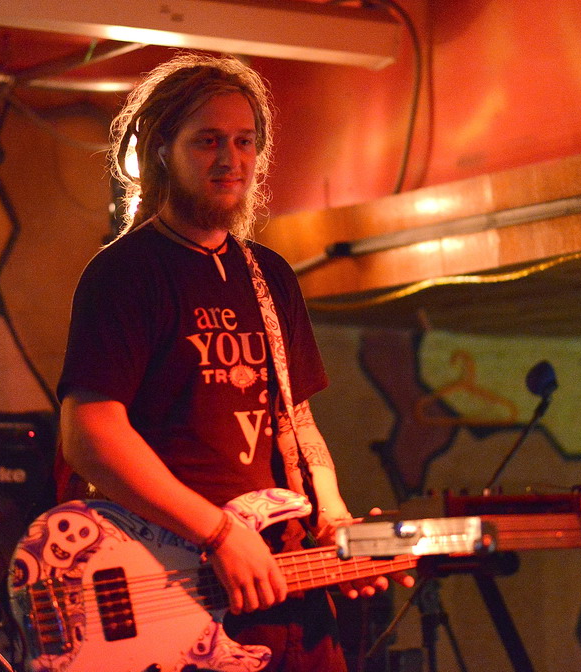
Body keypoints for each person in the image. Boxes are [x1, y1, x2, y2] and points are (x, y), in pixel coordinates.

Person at [55, 52, 403, 672]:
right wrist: (218, 533)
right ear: (162, 151)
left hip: (288, 577)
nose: (231, 159)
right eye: (208, 140)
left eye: (244, 142)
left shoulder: (269, 275)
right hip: (177, 582)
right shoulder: (125, 273)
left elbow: (295, 417)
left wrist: (334, 519)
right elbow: (90, 434)